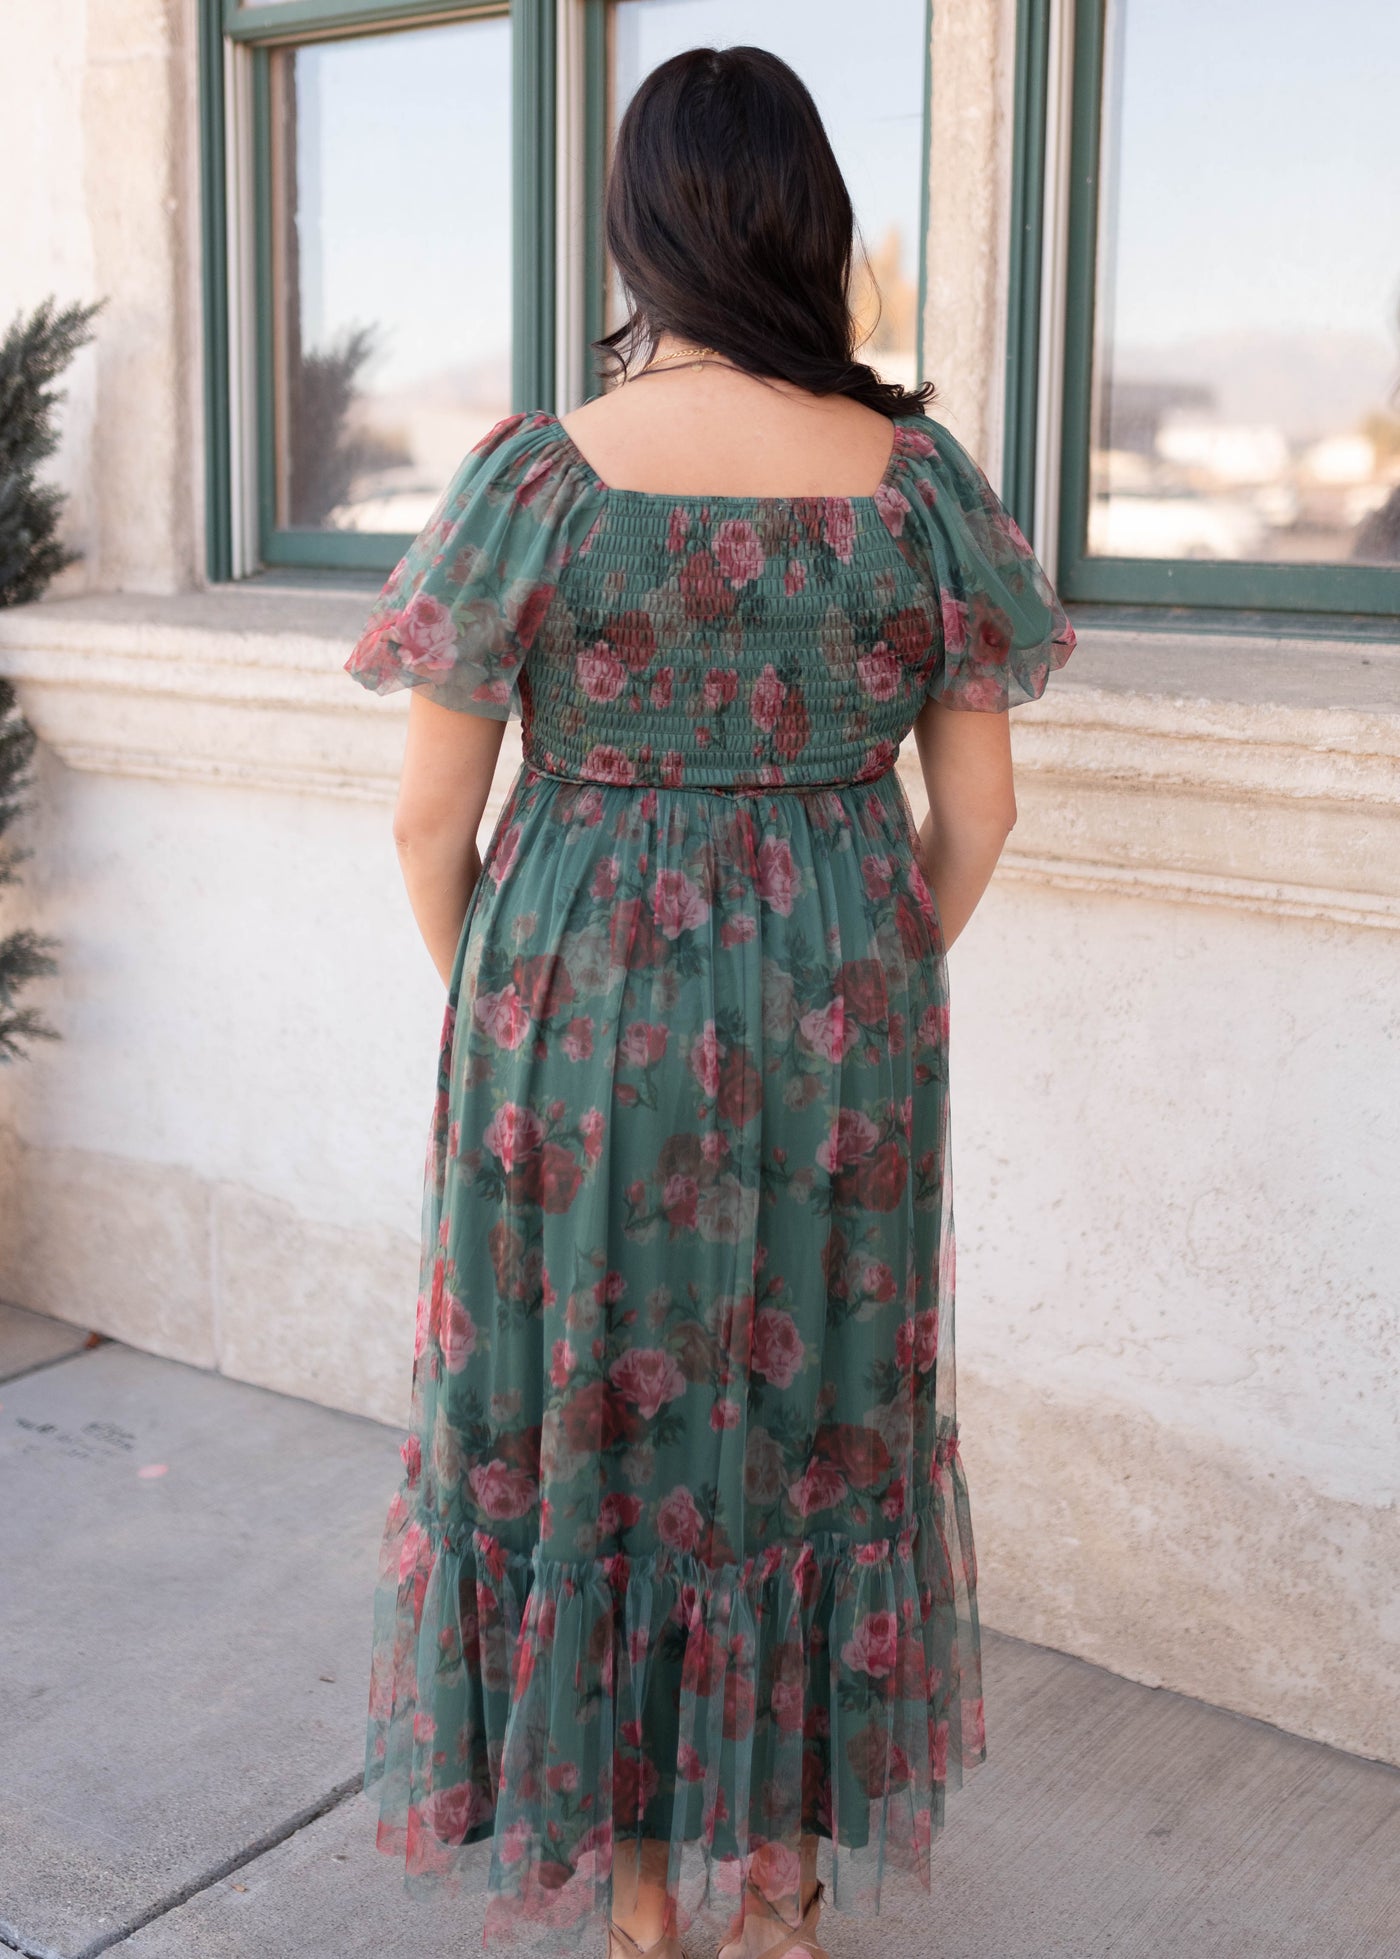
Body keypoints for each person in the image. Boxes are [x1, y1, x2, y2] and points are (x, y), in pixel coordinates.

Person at [344, 43, 1074, 1959]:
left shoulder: (540, 476)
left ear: (640, 224)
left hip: (567, 1026)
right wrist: (858, 972)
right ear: (810, 224)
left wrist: (530, 1012)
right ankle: (786, 1901)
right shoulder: (918, 479)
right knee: (818, 1435)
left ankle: (644, 1905)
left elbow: (432, 824)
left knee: (592, 1440)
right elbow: (979, 810)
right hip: (850, 1015)